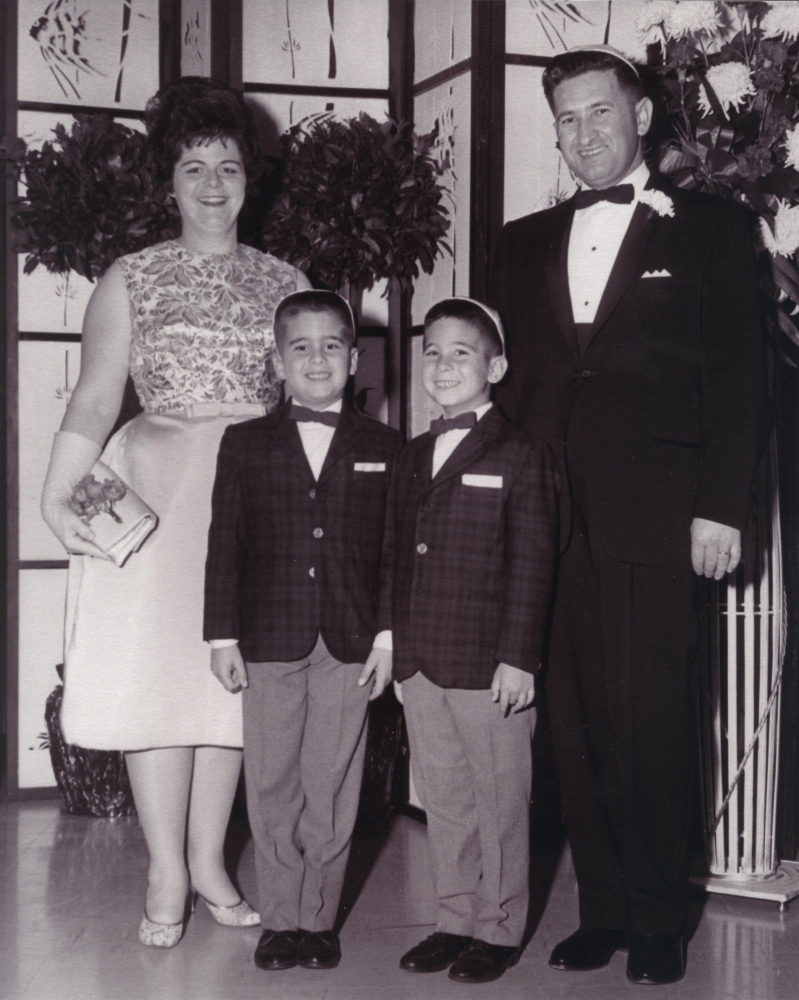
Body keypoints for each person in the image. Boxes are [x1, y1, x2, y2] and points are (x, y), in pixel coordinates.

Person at [489, 46, 763, 986]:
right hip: (547, 522)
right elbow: (510, 390)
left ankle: (658, 918)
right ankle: (600, 909)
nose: (582, 135)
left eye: (598, 113)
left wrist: (720, 508)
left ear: (640, 118)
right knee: (572, 724)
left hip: (660, 516)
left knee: (649, 719)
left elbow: (740, 381)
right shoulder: (520, 241)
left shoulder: (717, 230)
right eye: (565, 120)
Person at [40, 77, 311, 948]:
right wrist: (54, 495)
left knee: (229, 691)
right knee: (157, 683)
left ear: (249, 179)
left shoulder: (285, 281)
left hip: (253, 496)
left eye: (227, 166)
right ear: (169, 179)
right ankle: (165, 868)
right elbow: (92, 401)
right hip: (154, 496)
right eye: (193, 166)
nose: (211, 184)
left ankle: (209, 865)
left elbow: (312, 402)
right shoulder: (132, 277)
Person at [204, 289, 401, 972]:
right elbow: (224, 543)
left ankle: (318, 921)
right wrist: (220, 636)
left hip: (349, 643)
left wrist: (385, 637)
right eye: (300, 347)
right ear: (278, 361)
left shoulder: (384, 444)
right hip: (267, 638)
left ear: (353, 358)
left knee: (333, 782)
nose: (316, 359)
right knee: (272, 783)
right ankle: (280, 918)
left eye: (330, 346)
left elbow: (392, 551)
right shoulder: (245, 442)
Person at [376, 298, 559, 985]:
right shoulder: (413, 453)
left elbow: (533, 561)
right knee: (444, 800)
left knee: (499, 800)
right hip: (422, 660)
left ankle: (499, 927)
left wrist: (518, 658)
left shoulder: (523, 453)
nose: (443, 364)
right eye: (432, 352)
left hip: (490, 666)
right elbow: (396, 553)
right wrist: (392, 645)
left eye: (461, 352)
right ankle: (452, 919)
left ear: (496, 366)